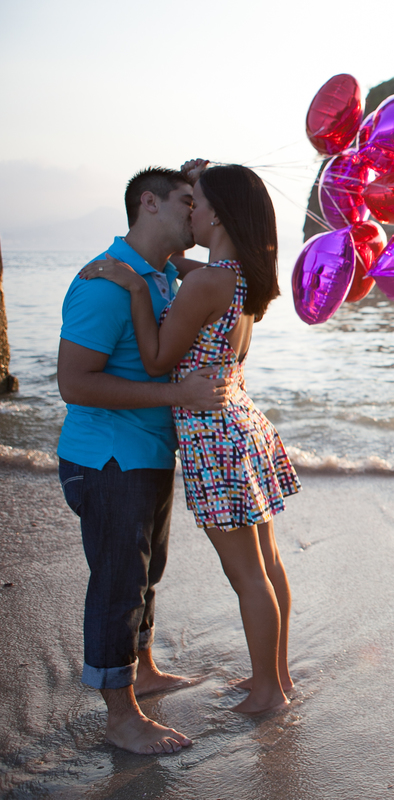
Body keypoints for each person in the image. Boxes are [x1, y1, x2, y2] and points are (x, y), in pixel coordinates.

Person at [81, 161, 300, 717]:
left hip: (213, 438)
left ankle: (268, 693)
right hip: (241, 426)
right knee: (269, 566)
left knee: (247, 574)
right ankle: (274, 678)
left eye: (196, 202)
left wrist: (133, 285)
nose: (189, 211)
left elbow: (156, 356)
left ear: (219, 215)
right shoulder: (239, 276)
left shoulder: (205, 282)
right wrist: (200, 177)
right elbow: (186, 262)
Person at [57, 166, 230, 755]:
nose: (195, 213)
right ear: (149, 204)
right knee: (118, 582)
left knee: (146, 572)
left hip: (147, 453)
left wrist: (200, 180)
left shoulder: (157, 278)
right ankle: (120, 716)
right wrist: (176, 396)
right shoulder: (104, 282)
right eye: (187, 202)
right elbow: (74, 383)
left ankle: (145, 668)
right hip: (107, 458)